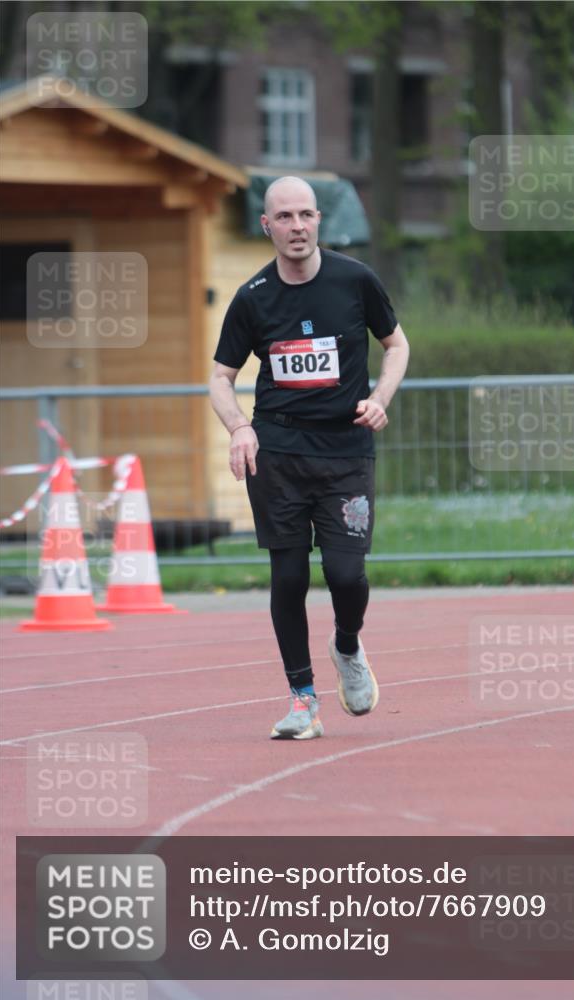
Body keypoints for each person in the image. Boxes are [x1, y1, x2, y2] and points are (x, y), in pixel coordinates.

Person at [209, 175, 409, 740]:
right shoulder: (252, 298)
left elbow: (396, 345)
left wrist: (380, 397)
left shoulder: (355, 280)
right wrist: (239, 428)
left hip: (345, 450)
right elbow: (221, 379)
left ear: (319, 220)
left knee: (347, 574)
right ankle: (302, 699)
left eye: (306, 215)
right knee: (289, 575)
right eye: (285, 217)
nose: (297, 227)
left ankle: (347, 643)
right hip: (279, 452)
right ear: (266, 225)